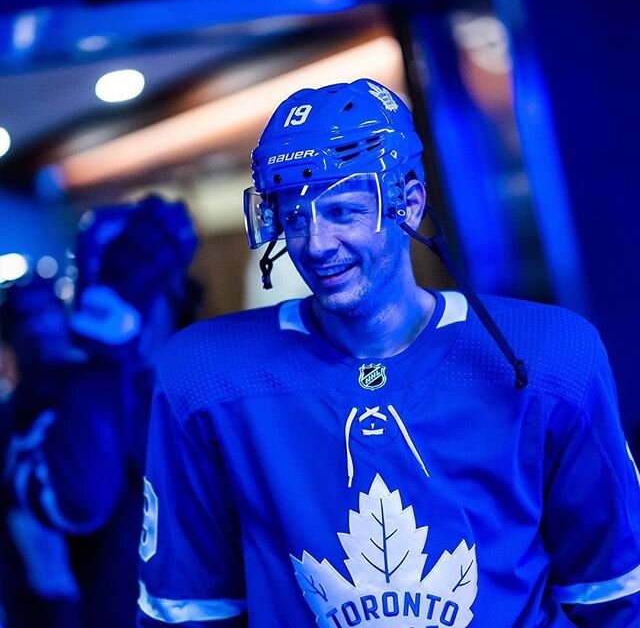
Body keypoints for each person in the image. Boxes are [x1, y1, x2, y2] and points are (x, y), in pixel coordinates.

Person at [137, 79, 640, 627]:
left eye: (343, 211)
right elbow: (190, 611)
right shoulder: (205, 379)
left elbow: (613, 595)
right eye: (295, 218)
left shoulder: (551, 356)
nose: (316, 244)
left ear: (411, 203)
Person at [5, 195, 199, 628]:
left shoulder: (199, 381)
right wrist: (106, 342)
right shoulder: (50, 396)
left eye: (148, 289)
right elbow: (79, 499)